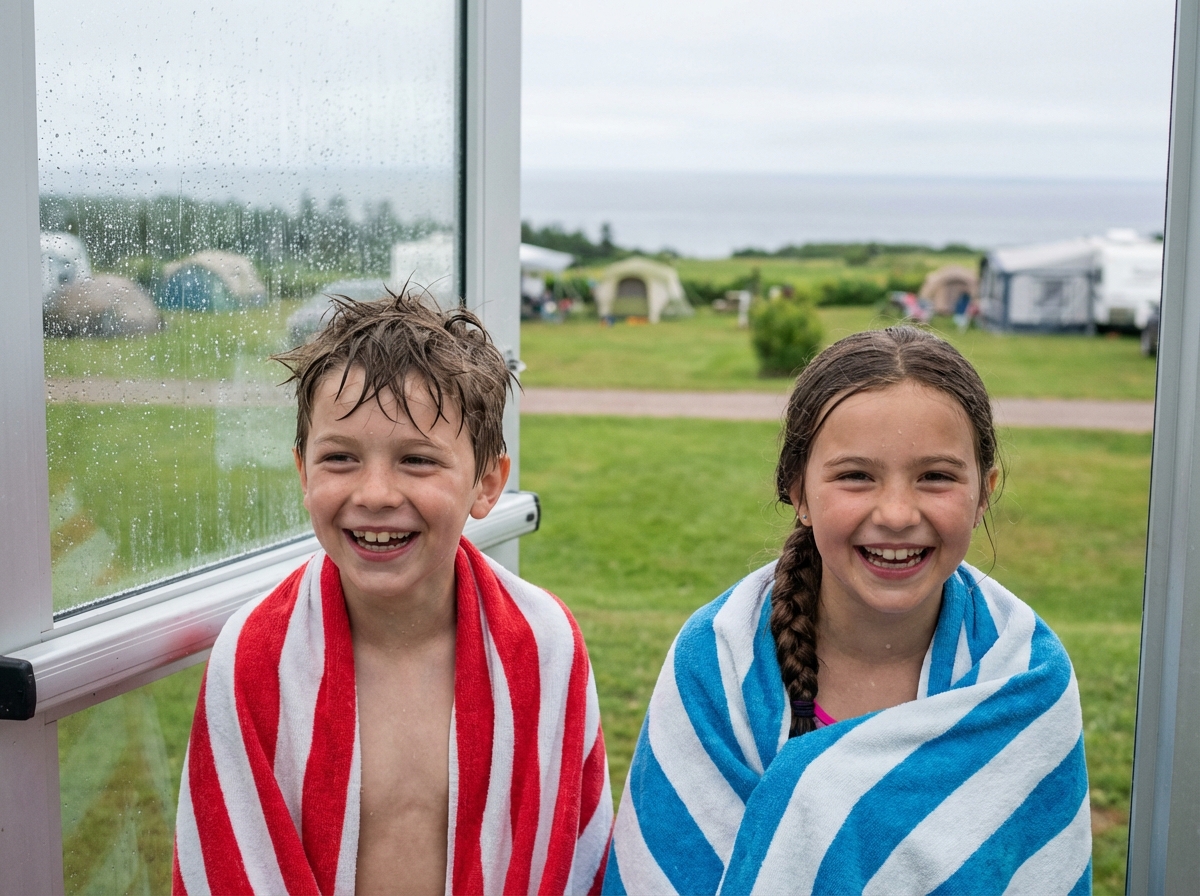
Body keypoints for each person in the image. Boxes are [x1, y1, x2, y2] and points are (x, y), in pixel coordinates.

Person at [604, 326, 1090, 895]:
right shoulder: (718, 661)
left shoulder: (1025, 676)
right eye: (856, 476)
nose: (897, 513)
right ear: (799, 490)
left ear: (984, 490)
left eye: (935, 477)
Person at [173, 291, 612, 895]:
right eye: (340, 458)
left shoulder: (542, 643)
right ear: (303, 473)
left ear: (487, 484)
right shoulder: (257, 656)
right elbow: (231, 856)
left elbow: (569, 854)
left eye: (416, 460)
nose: (375, 493)